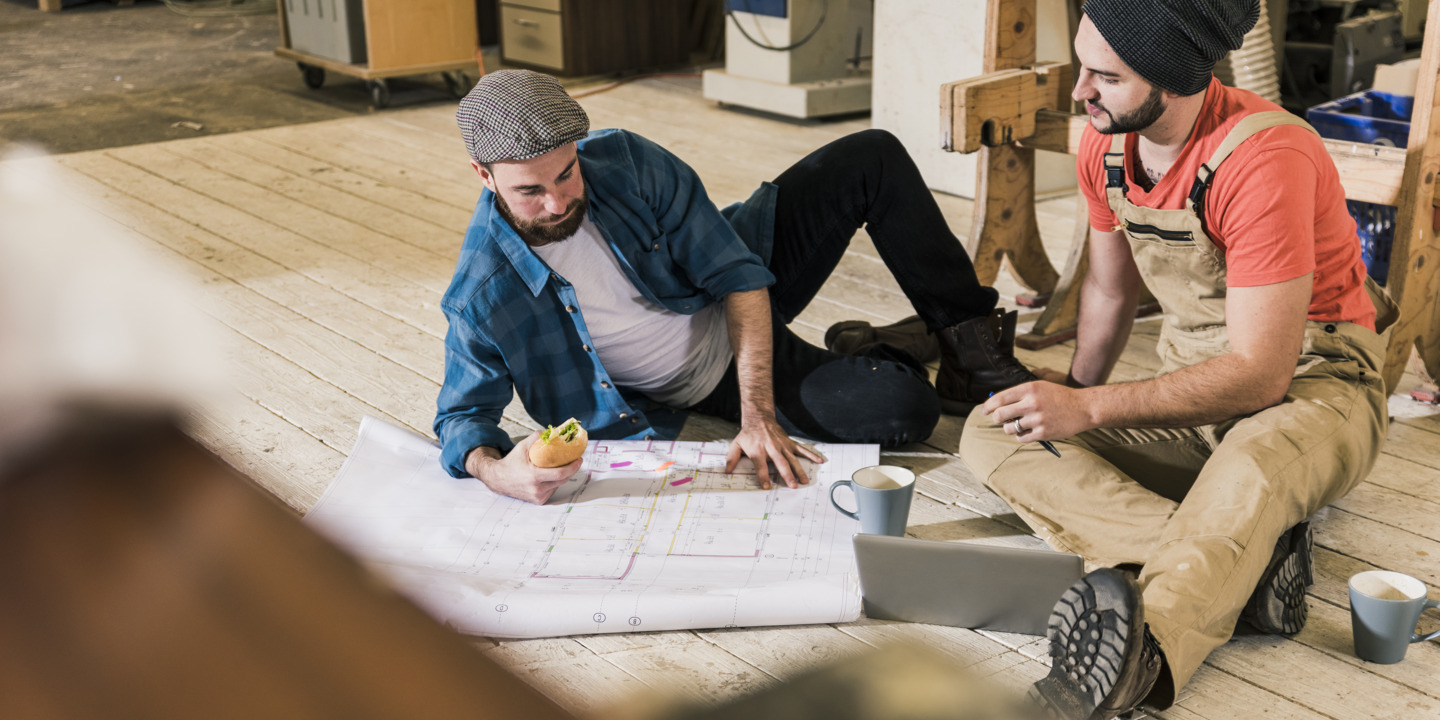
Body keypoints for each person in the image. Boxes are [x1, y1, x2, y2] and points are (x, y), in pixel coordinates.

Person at [956, 1, 1399, 718]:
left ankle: (1141, 662)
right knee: (993, 428)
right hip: (1191, 384)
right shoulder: (1102, 144)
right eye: (1082, 67)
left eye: (1105, 76)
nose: (1080, 92)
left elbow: (1261, 374)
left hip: (1314, 390)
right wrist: (1070, 396)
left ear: (1174, 77)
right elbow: (1106, 287)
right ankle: (1244, 570)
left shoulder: (1265, 156)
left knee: (1250, 464)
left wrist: (1094, 409)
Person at [434, 70, 1037, 505]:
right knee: (909, 411)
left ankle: (969, 353)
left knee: (869, 155)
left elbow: (737, 275)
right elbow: (462, 416)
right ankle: (892, 348)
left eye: (567, 174)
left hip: (735, 291)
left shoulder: (626, 162)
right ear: (484, 176)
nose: (559, 200)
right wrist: (495, 472)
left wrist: (759, 416)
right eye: (530, 191)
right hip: (706, 381)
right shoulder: (482, 290)